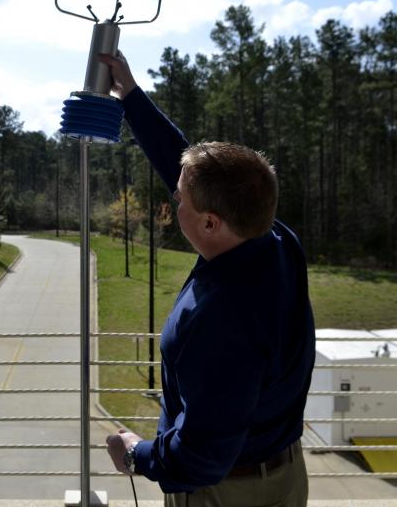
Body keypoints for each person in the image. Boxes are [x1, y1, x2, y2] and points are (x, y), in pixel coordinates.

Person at [102, 51, 316, 507]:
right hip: (286, 474)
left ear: (212, 224)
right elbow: (193, 177)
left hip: (227, 494)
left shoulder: (220, 320)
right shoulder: (277, 241)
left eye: (179, 200)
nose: (172, 202)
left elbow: (199, 459)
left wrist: (135, 455)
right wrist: (131, 96)